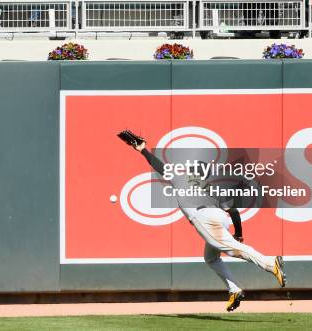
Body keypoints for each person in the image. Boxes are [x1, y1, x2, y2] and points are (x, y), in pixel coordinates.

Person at [117, 130, 286, 313]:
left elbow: (158, 165)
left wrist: (142, 150)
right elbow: (234, 211)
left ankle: (270, 263)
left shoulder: (181, 178)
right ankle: (234, 290)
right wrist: (239, 233)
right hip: (221, 219)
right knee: (211, 258)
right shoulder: (211, 187)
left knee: (231, 249)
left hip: (204, 218)